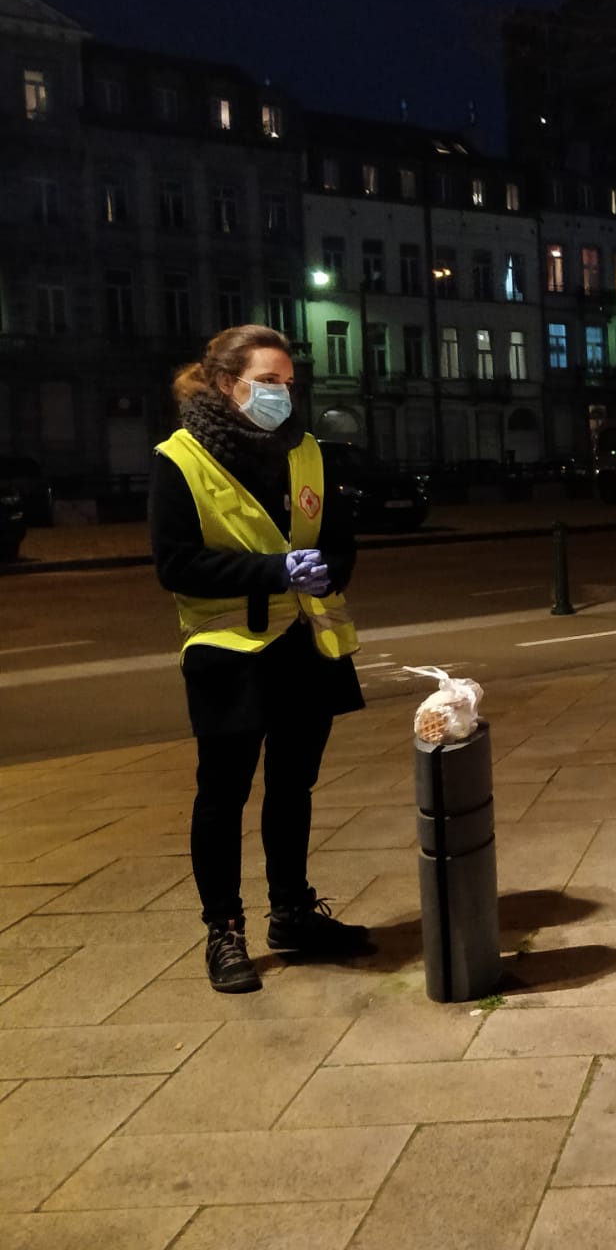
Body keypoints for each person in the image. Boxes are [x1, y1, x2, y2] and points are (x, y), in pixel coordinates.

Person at [150, 324, 374, 995]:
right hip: (230, 657)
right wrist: (274, 571)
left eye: (288, 383)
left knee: (292, 788)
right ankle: (224, 931)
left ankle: (292, 913)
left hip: (305, 646)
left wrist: (328, 568)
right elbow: (176, 564)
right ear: (226, 383)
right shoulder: (181, 457)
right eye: (267, 382)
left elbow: (339, 540)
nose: (282, 394)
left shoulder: (305, 450)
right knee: (222, 797)